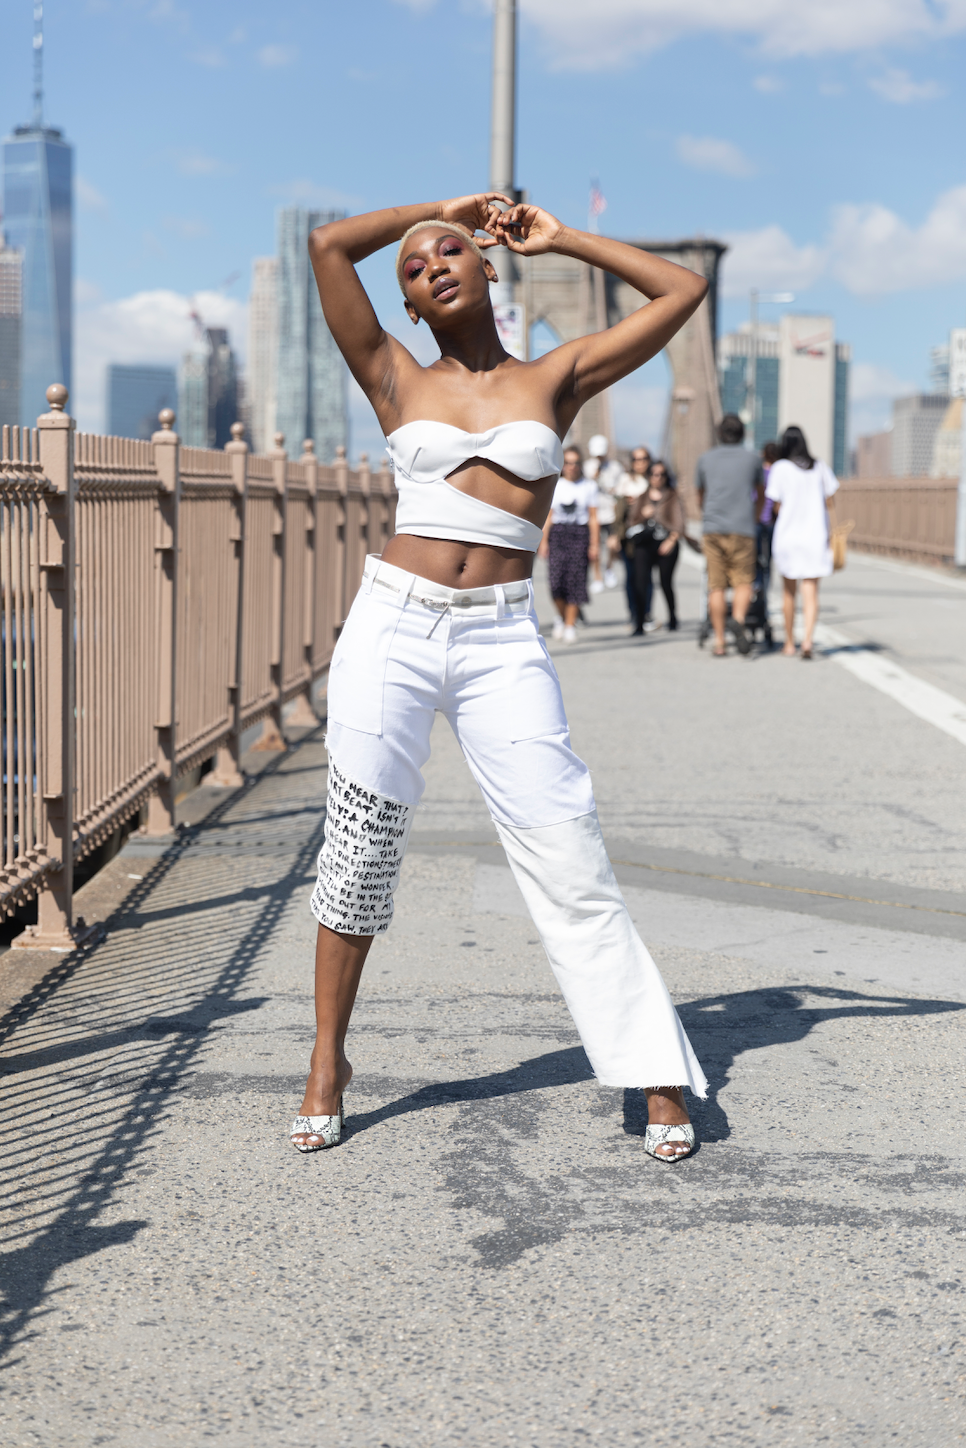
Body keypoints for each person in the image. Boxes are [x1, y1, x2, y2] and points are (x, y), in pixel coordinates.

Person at [296, 191, 710, 1162]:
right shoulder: (393, 376)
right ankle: (327, 1060)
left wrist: (562, 237)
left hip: (499, 640)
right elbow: (327, 244)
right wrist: (440, 205)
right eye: (412, 268)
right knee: (359, 847)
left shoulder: (557, 377)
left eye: (449, 251)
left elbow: (682, 287)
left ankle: (652, 1065)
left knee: (568, 849)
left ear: (488, 268)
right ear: (408, 306)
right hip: (391, 624)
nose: (432, 264)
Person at [766, 424, 839, 660]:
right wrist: (832, 531)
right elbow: (830, 501)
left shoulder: (780, 468)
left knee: (789, 593)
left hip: (788, 536)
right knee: (811, 592)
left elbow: (775, 503)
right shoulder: (819, 467)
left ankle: (789, 642)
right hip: (815, 536)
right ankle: (807, 640)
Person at [696, 414, 764, 657]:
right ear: (742, 434)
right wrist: (754, 518)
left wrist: (709, 515)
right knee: (744, 582)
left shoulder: (705, 459)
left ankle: (720, 643)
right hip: (743, 527)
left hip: (713, 528)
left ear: (719, 434)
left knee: (716, 586)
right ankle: (737, 619)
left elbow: (700, 495)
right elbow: (760, 494)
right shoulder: (753, 459)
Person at [540, 444, 599, 642]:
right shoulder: (555, 485)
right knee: (555, 583)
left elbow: (593, 517)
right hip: (558, 534)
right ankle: (562, 616)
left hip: (579, 534)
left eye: (575, 463)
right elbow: (549, 515)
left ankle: (569, 624)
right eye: (568, 463)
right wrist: (544, 541)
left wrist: (594, 544)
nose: (571, 467)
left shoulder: (589, 486)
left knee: (575, 582)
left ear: (581, 465)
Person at [626, 460, 684, 634]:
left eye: (661, 474)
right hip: (644, 544)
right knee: (641, 582)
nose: (657, 478)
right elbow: (631, 522)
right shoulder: (642, 497)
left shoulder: (673, 496)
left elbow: (680, 523)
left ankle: (673, 617)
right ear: (649, 476)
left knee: (666, 582)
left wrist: (671, 540)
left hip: (666, 543)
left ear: (667, 477)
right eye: (654, 474)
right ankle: (639, 622)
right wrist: (643, 515)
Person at [614, 445, 650, 620]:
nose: (640, 463)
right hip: (627, 537)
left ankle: (646, 613)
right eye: (636, 459)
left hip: (647, 536)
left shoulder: (655, 479)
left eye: (643, 459)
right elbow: (618, 512)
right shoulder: (625, 481)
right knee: (630, 576)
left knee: (646, 576)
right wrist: (614, 535)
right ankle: (633, 613)